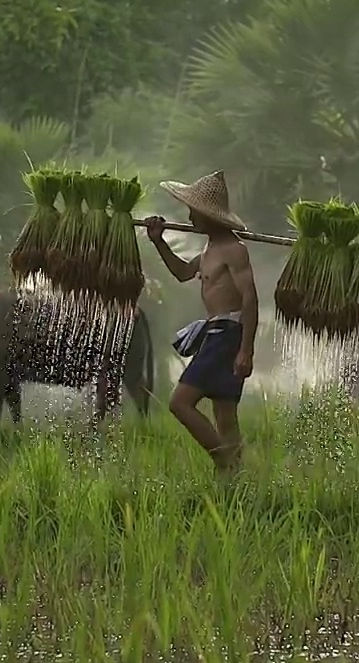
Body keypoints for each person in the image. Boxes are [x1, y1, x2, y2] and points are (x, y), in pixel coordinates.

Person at [145, 170, 258, 475]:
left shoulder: (234, 250)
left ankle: (223, 459)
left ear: (208, 215)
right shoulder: (208, 251)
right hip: (216, 333)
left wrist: (246, 349)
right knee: (224, 413)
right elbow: (183, 272)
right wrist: (159, 241)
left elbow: (250, 298)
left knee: (179, 403)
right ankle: (235, 479)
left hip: (227, 335)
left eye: (194, 211)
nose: (190, 216)